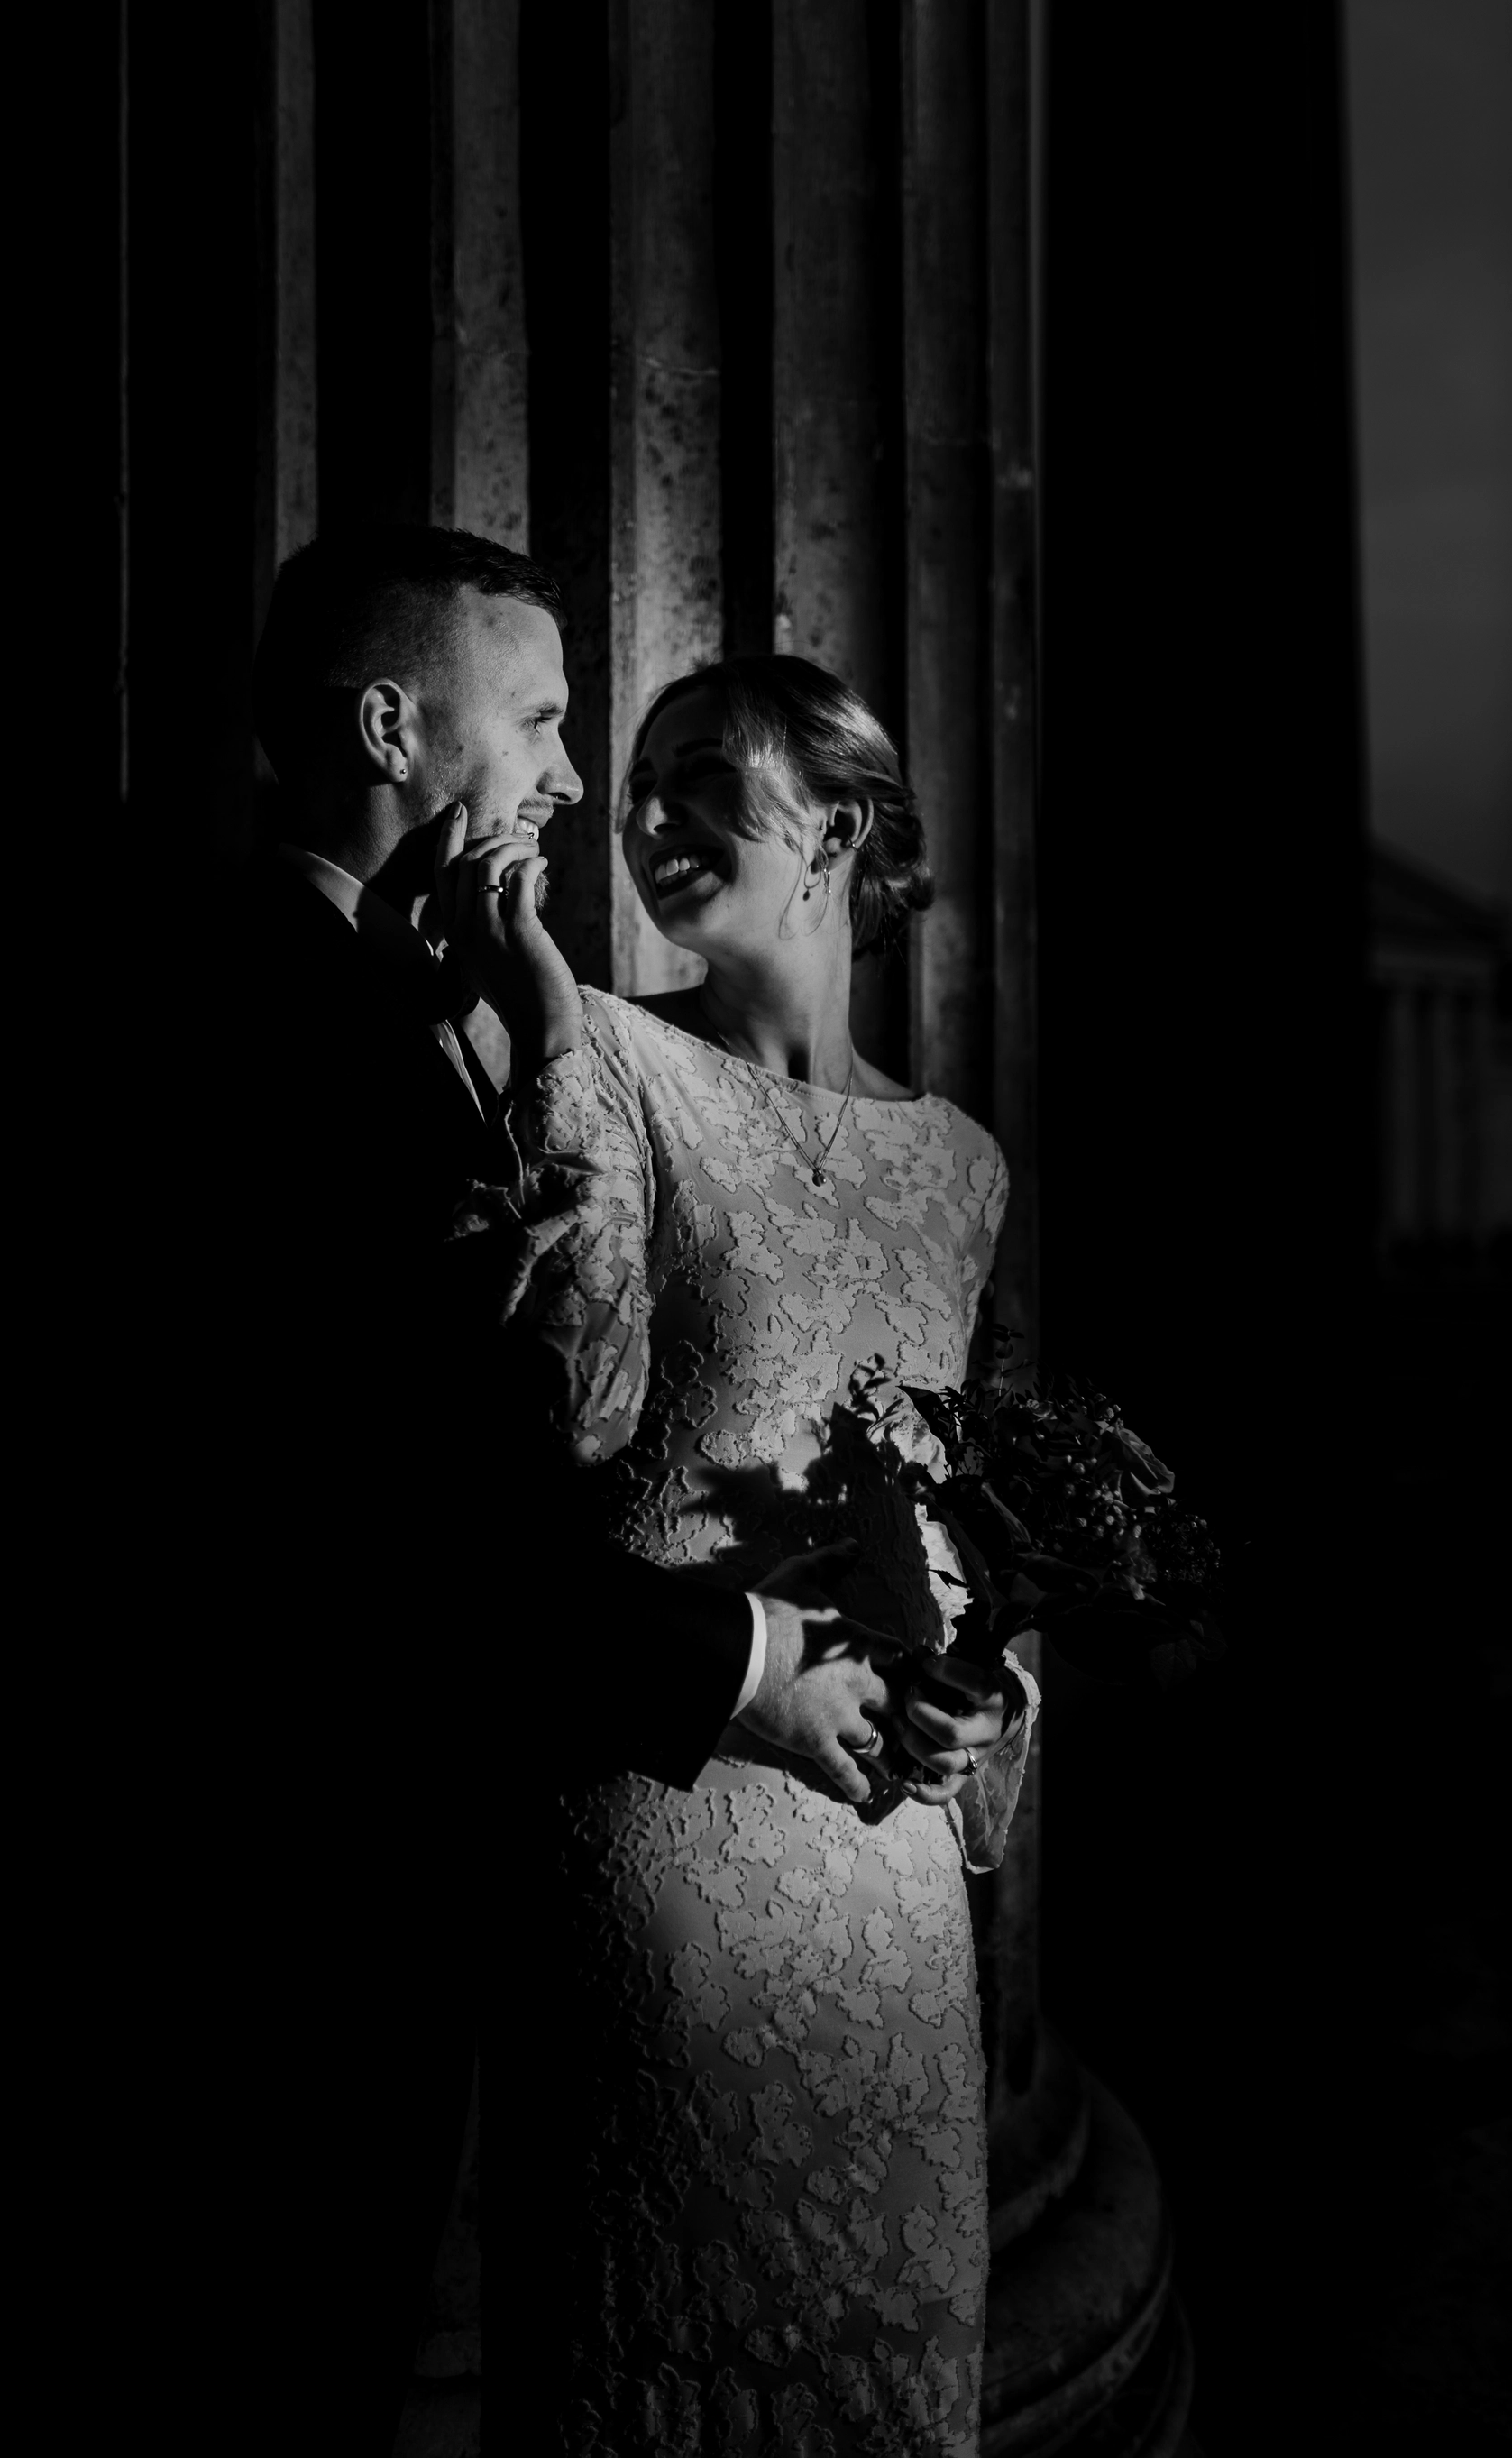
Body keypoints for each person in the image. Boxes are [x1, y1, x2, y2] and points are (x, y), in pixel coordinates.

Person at [170, 529, 905, 2449]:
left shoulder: (367, 995)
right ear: (397, 724)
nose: (580, 785)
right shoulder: (274, 1019)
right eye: (552, 723)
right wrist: (746, 1656)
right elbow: (412, 1526)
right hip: (305, 1896)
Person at [447, 653, 1039, 2453]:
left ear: (839, 825)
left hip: (881, 1873)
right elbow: (574, 1410)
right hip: (665, 1824)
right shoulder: (600, 1050)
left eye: (703, 775)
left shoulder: (961, 1168)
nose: (647, 815)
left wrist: (982, 1697)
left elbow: (951, 1515)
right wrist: (548, 1023)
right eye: (636, 784)